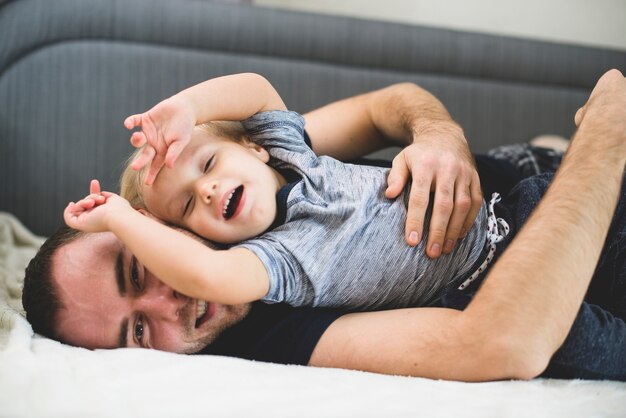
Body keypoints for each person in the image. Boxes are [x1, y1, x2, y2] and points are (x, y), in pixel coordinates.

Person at [22, 69, 626, 381]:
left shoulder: (258, 169)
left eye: (139, 266)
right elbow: (505, 342)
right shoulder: (260, 297)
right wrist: (603, 135)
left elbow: (385, 104)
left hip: (520, 179)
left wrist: (441, 136)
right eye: (138, 334)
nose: (169, 301)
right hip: (564, 215)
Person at [64, 73, 498, 312]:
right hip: (486, 280)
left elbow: (255, 89)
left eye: (209, 164)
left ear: (255, 149)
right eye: (189, 204)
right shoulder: (278, 259)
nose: (209, 190)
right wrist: (118, 218)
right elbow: (205, 275)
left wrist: (191, 108)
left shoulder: (292, 155)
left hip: (504, 211)